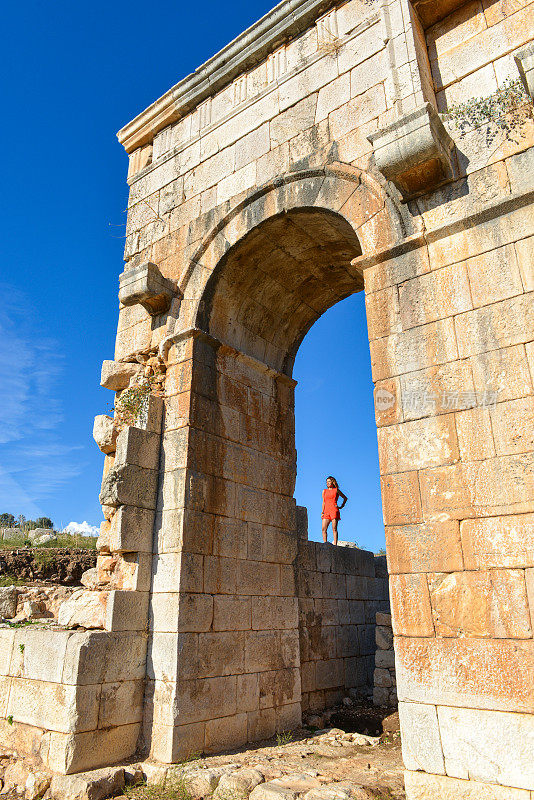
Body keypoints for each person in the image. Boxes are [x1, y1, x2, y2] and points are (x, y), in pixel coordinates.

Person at [321, 476, 347, 546]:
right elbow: (323, 502)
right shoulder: (324, 491)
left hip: (334, 510)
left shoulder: (336, 490)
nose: (327, 483)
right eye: (327, 482)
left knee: (334, 528)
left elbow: (345, 498)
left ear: (332, 482)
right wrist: (322, 512)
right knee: (323, 529)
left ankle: (335, 544)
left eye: (329, 481)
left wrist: (341, 506)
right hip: (326, 510)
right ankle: (325, 543)